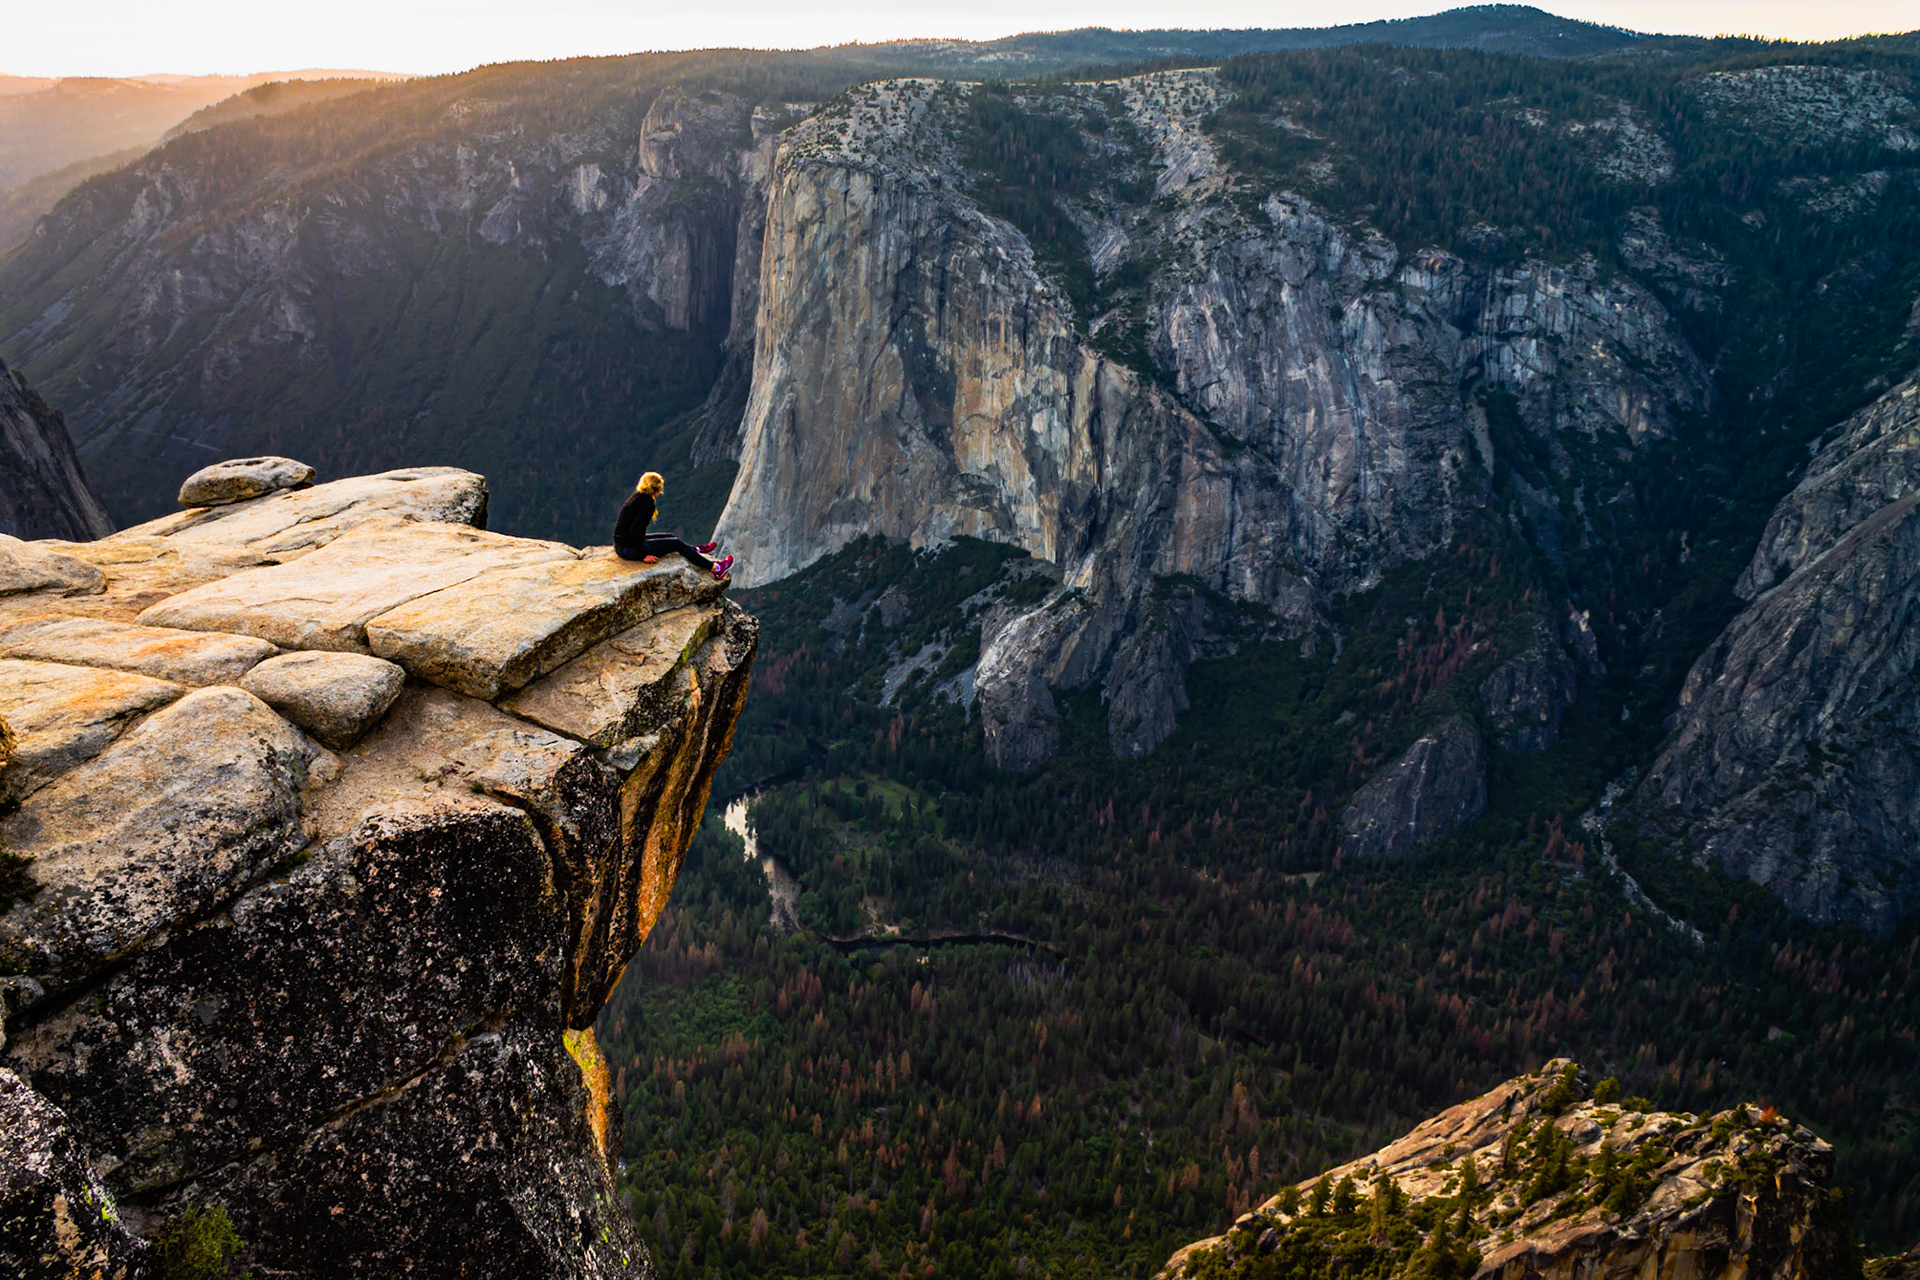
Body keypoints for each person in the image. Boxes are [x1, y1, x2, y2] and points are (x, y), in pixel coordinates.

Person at [614, 471, 733, 579]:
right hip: (628, 549)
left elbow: (632, 531)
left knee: (669, 536)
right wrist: (643, 555)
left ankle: (695, 550)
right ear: (657, 490)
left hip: (623, 545)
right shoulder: (647, 503)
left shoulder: (638, 497)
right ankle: (716, 568)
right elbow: (635, 531)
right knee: (676, 543)